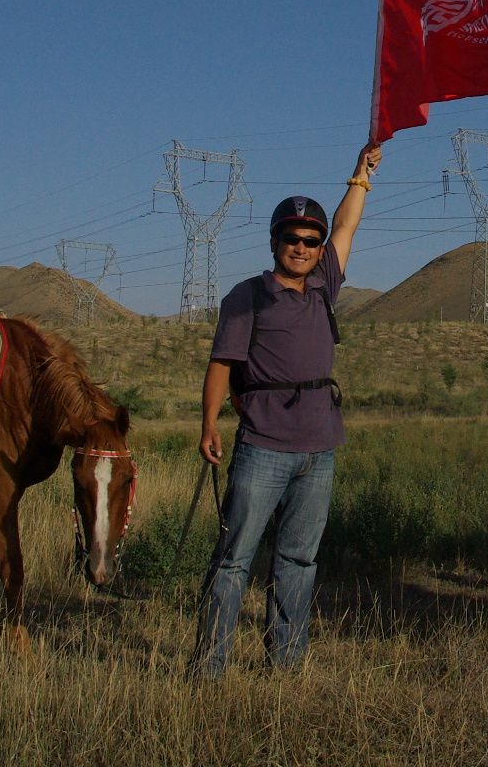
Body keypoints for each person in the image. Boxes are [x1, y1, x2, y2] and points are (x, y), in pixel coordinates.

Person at [192, 141, 382, 677]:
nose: (301, 247)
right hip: (263, 446)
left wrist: (359, 174)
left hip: (319, 448)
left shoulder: (324, 285)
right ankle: (210, 665)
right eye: (292, 238)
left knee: (298, 560)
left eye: (310, 240)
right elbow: (221, 364)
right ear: (274, 241)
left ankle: (286, 665)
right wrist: (208, 423)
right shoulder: (246, 297)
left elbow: (347, 226)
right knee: (233, 560)